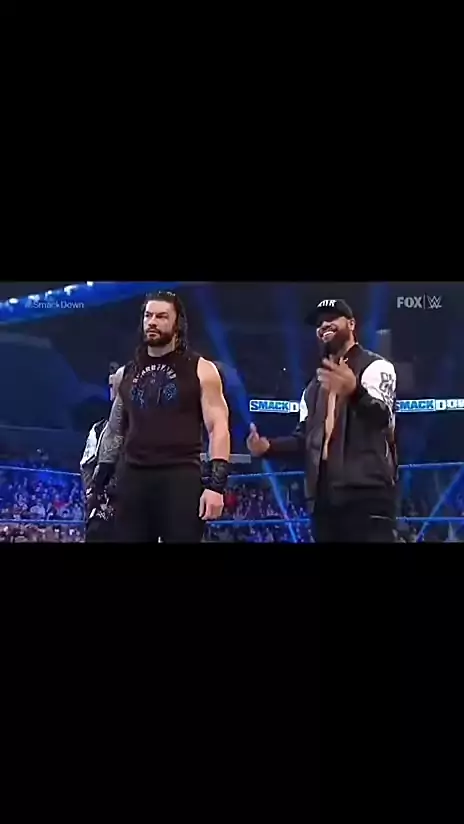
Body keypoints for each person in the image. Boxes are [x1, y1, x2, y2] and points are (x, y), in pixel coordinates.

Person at [247, 298, 398, 542]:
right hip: (323, 497)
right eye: (319, 323)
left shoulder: (376, 367)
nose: (324, 325)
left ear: (351, 324)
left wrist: (355, 392)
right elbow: (305, 440)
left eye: (331, 318)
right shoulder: (312, 389)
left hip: (366, 492)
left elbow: (383, 419)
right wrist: (268, 447)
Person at [88, 290, 230, 543]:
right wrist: (100, 479)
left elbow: (218, 426)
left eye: (162, 316)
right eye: (148, 316)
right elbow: (115, 428)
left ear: (177, 324)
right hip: (132, 477)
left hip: (180, 477)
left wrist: (216, 485)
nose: (152, 322)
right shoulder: (126, 373)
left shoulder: (201, 369)